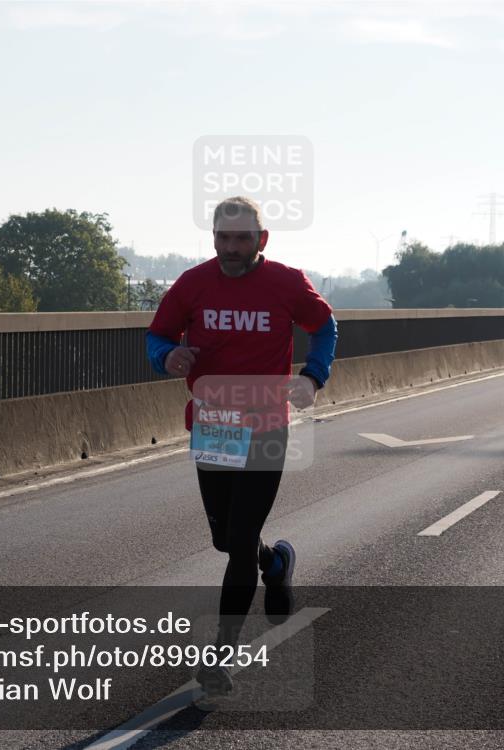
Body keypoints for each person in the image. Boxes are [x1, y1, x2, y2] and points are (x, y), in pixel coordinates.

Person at [145, 196, 337, 696]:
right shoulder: (192, 283)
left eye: (242, 239)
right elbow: (157, 336)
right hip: (213, 427)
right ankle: (275, 563)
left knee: (240, 536)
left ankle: (220, 654)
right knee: (229, 542)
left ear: (262, 240)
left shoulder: (287, 283)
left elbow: (325, 327)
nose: (231, 248)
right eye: (222, 237)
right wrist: (167, 356)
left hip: (266, 426)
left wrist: (313, 377)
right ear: (213, 237)